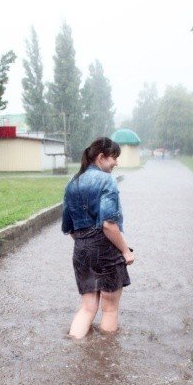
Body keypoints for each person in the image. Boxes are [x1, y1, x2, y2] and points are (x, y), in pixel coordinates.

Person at [62, 137, 135, 339]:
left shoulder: (72, 182)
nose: (116, 162)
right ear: (101, 157)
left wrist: (86, 246)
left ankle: (74, 347)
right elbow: (109, 225)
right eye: (114, 157)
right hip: (106, 249)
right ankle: (106, 357)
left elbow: (68, 227)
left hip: (81, 249)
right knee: (110, 308)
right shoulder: (106, 180)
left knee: (87, 308)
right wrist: (125, 251)